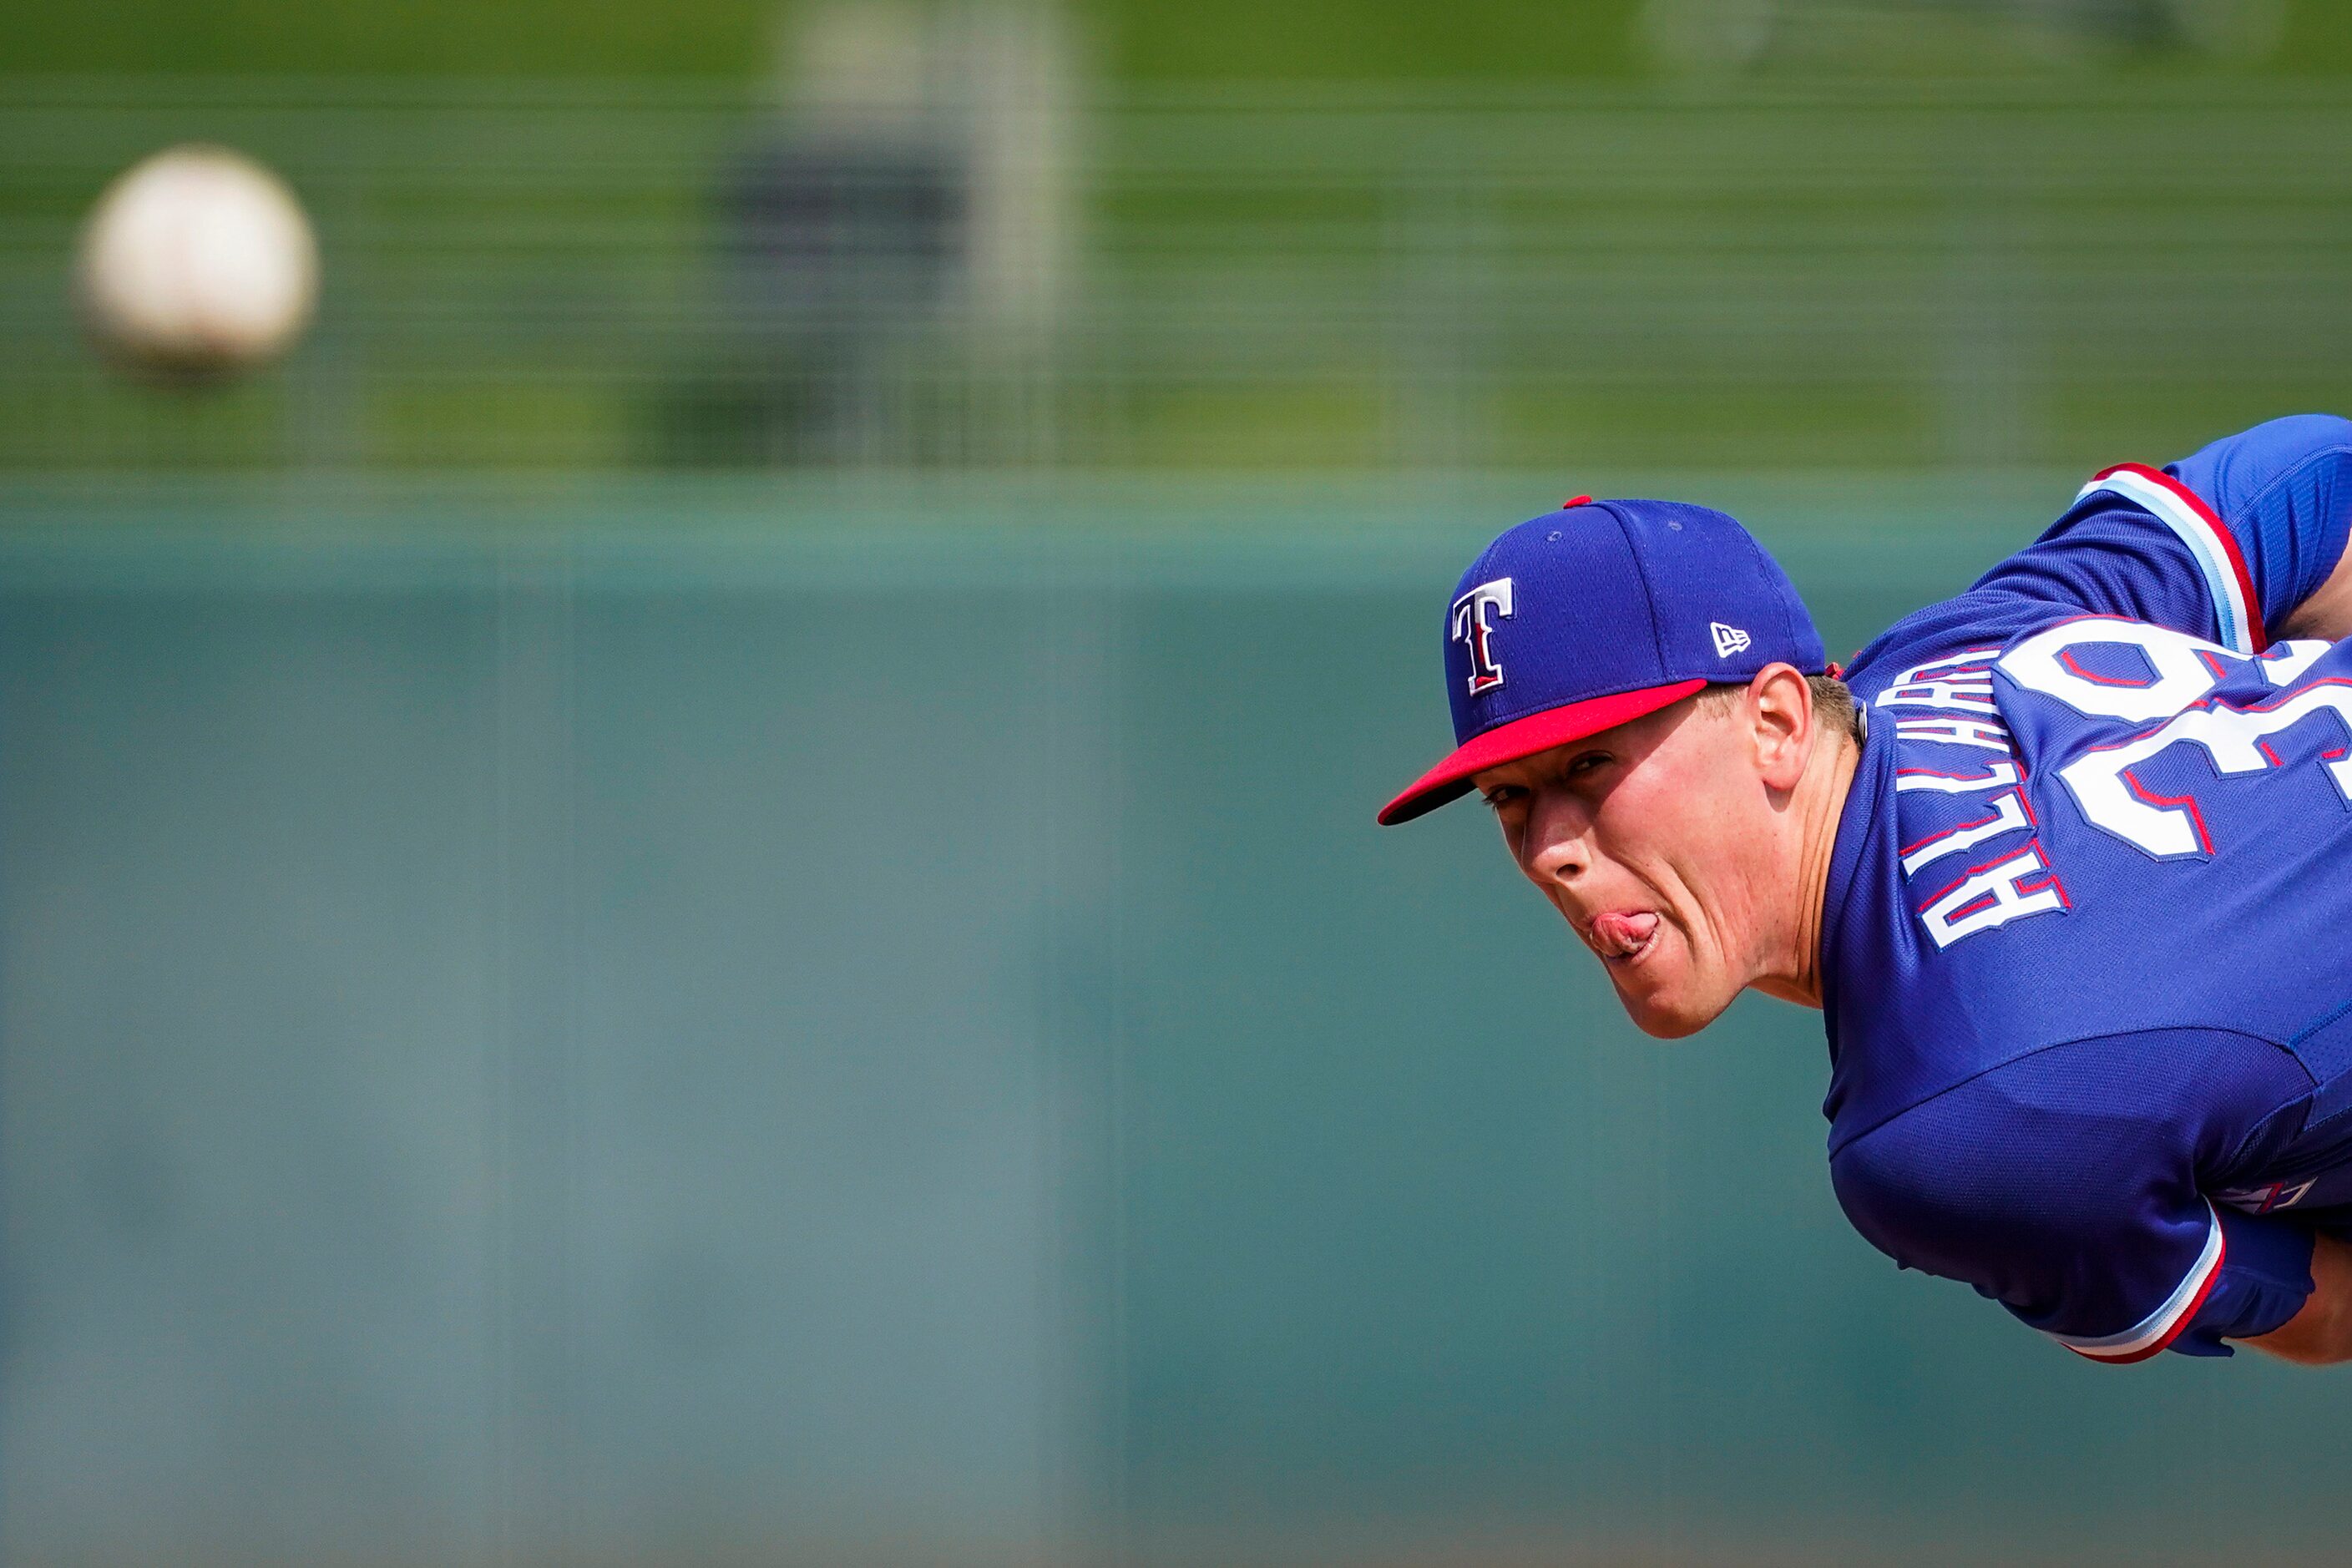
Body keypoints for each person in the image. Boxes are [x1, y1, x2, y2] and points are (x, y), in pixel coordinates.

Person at [1378, 417, 2352, 1364]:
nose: (1548, 849)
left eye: (1590, 765)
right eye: (1510, 796)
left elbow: (2331, 1314)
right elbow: (2302, 477)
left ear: (1776, 721)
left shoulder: (1962, 1116)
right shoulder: (1955, 652)